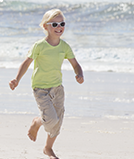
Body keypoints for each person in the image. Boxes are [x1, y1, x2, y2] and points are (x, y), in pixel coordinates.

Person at [8, 9, 84, 159]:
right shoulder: (39, 46)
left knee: (58, 121)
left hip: (58, 88)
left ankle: (48, 148)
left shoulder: (64, 46)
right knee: (51, 120)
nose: (59, 27)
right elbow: (26, 63)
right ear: (45, 26)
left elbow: (75, 64)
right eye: (54, 24)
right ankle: (37, 122)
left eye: (62, 23)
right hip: (40, 88)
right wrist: (17, 79)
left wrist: (79, 73)